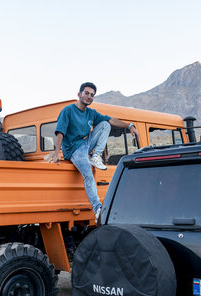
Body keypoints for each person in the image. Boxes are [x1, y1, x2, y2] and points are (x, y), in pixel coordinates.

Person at [48, 82, 139, 218]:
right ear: (79, 94)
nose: (89, 97)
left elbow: (111, 120)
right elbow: (60, 132)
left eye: (92, 95)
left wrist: (129, 125)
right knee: (88, 175)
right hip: (74, 150)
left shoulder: (91, 113)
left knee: (104, 124)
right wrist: (56, 154)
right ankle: (98, 210)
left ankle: (96, 156)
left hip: (86, 144)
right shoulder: (68, 110)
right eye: (86, 93)